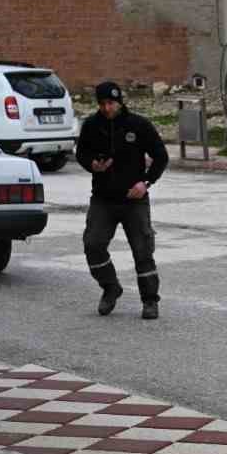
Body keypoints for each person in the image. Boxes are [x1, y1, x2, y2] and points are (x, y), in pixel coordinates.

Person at [75, 81, 169, 319]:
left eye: (111, 103)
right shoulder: (92, 125)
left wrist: (145, 182)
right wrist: (92, 164)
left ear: (120, 102)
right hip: (103, 200)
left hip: (134, 200)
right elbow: (81, 153)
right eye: (103, 104)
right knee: (93, 245)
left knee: (142, 251)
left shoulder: (138, 125)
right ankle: (110, 288)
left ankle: (150, 301)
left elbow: (161, 156)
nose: (107, 108)